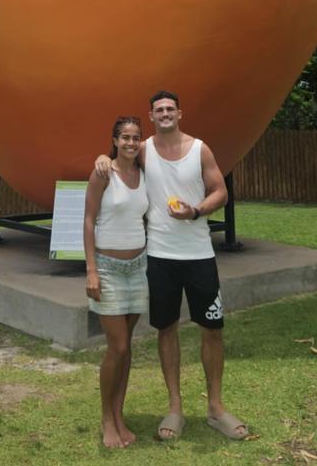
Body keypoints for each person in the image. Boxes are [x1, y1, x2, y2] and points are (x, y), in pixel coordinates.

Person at [96, 91, 248, 442]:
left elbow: (219, 191)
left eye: (170, 109)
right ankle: (175, 408)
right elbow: (118, 157)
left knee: (212, 329)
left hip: (199, 255)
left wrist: (195, 210)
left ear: (180, 113)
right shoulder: (144, 148)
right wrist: (99, 158)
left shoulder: (200, 149)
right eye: (159, 110)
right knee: (167, 329)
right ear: (151, 115)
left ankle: (215, 408)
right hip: (160, 257)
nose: (165, 114)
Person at [84, 116, 149, 448]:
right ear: (114, 140)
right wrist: (92, 269)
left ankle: (120, 415)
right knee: (118, 346)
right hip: (108, 268)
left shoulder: (144, 173)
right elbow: (89, 219)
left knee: (127, 349)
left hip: (139, 268)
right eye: (125, 137)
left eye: (136, 137)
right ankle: (106, 419)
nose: (131, 142)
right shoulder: (102, 172)